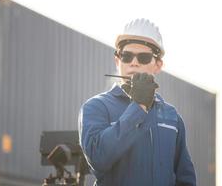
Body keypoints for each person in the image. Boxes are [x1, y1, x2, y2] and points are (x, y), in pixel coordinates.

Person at [78, 18, 196, 186]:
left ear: (158, 65)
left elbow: (185, 179)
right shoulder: (96, 107)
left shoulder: (172, 117)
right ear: (117, 61)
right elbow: (98, 159)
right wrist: (139, 106)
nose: (134, 62)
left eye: (144, 57)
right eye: (126, 56)